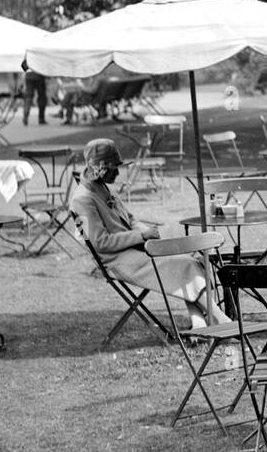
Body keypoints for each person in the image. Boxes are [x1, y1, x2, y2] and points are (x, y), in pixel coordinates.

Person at [69, 139, 227, 328]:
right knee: (184, 264)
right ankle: (221, 320)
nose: (118, 172)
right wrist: (141, 237)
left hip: (135, 249)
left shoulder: (103, 188)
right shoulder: (83, 199)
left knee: (190, 259)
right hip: (116, 259)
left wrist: (152, 234)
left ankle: (200, 323)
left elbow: (130, 219)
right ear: (101, 168)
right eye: (114, 168)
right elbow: (101, 243)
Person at [20, 58, 49, 126]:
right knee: (41, 97)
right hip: (39, 76)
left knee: (29, 96)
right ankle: (41, 118)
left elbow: (23, 65)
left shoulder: (29, 53)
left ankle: (25, 116)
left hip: (29, 76)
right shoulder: (41, 53)